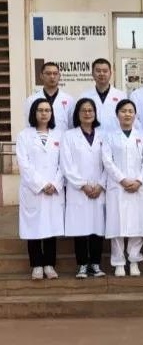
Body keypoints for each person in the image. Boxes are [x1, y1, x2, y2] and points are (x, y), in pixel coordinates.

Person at [16, 98, 64, 280]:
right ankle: (36, 264)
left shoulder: (59, 135)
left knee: (51, 227)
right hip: (33, 189)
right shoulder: (24, 135)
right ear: (34, 113)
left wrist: (55, 183)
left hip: (53, 189)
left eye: (47, 110)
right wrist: (42, 184)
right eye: (40, 110)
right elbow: (24, 164)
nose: (44, 113)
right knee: (33, 227)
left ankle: (49, 264)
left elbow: (63, 163)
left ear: (52, 113)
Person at [102, 99, 143, 277]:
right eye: (123, 111)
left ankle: (134, 260)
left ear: (135, 115)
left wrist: (139, 180)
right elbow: (107, 161)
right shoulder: (109, 136)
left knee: (138, 224)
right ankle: (119, 262)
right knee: (117, 225)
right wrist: (122, 180)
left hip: (138, 187)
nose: (127, 114)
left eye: (130, 111)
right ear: (117, 115)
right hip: (118, 186)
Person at [61, 98, 107, 279]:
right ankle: (82, 264)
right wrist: (83, 185)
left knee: (97, 228)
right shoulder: (69, 136)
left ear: (95, 113)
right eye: (83, 110)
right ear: (77, 114)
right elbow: (67, 165)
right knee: (79, 228)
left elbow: (108, 163)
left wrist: (101, 184)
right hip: (78, 190)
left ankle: (95, 264)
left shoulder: (103, 135)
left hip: (98, 189)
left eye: (90, 110)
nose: (87, 113)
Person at [79, 58, 128, 134]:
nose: (102, 74)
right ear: (92, 74)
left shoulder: (121, 96)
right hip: (92, 137)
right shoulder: (84, 96)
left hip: (115, 137)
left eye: (105, 71)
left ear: (110, 73)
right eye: (98, 71)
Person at [24, 62, 74, 131]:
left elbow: (72, 126)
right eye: (48, 73)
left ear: (59, 76)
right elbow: (29, 125)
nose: (52, 76)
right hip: (39, 137)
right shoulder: (31, 100)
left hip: (63, 137)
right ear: (41, 76)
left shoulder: (69, 100)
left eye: (55, 73)